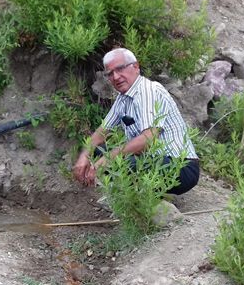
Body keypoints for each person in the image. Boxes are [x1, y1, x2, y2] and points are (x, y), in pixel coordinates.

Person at [72, 48, 199, 195]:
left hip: (180, 166)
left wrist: (108, 160)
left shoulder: (148, 90)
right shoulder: (123, 97)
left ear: (136, 67)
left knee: (120, 163)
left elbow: (149, 138)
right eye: (110, 74)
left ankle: (141, 205)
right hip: (151, 159)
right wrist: (84, 156)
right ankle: (129, 196)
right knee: (98, 151)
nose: (116, 77)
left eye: (120, 69)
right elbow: (102, 131)